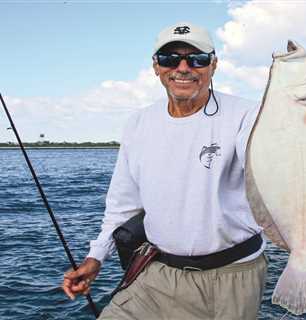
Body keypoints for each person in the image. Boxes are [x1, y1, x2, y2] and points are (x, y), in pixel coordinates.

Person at [62, 22, 268, 319]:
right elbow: (122, 205)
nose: (183, 68)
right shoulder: (138, 123)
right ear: (156, 67)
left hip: (232, 275)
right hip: (156, 273)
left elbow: (267, 165)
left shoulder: (249, 115)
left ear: (214, 65)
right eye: (171, 59)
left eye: (197, 59)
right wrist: (96, 257)